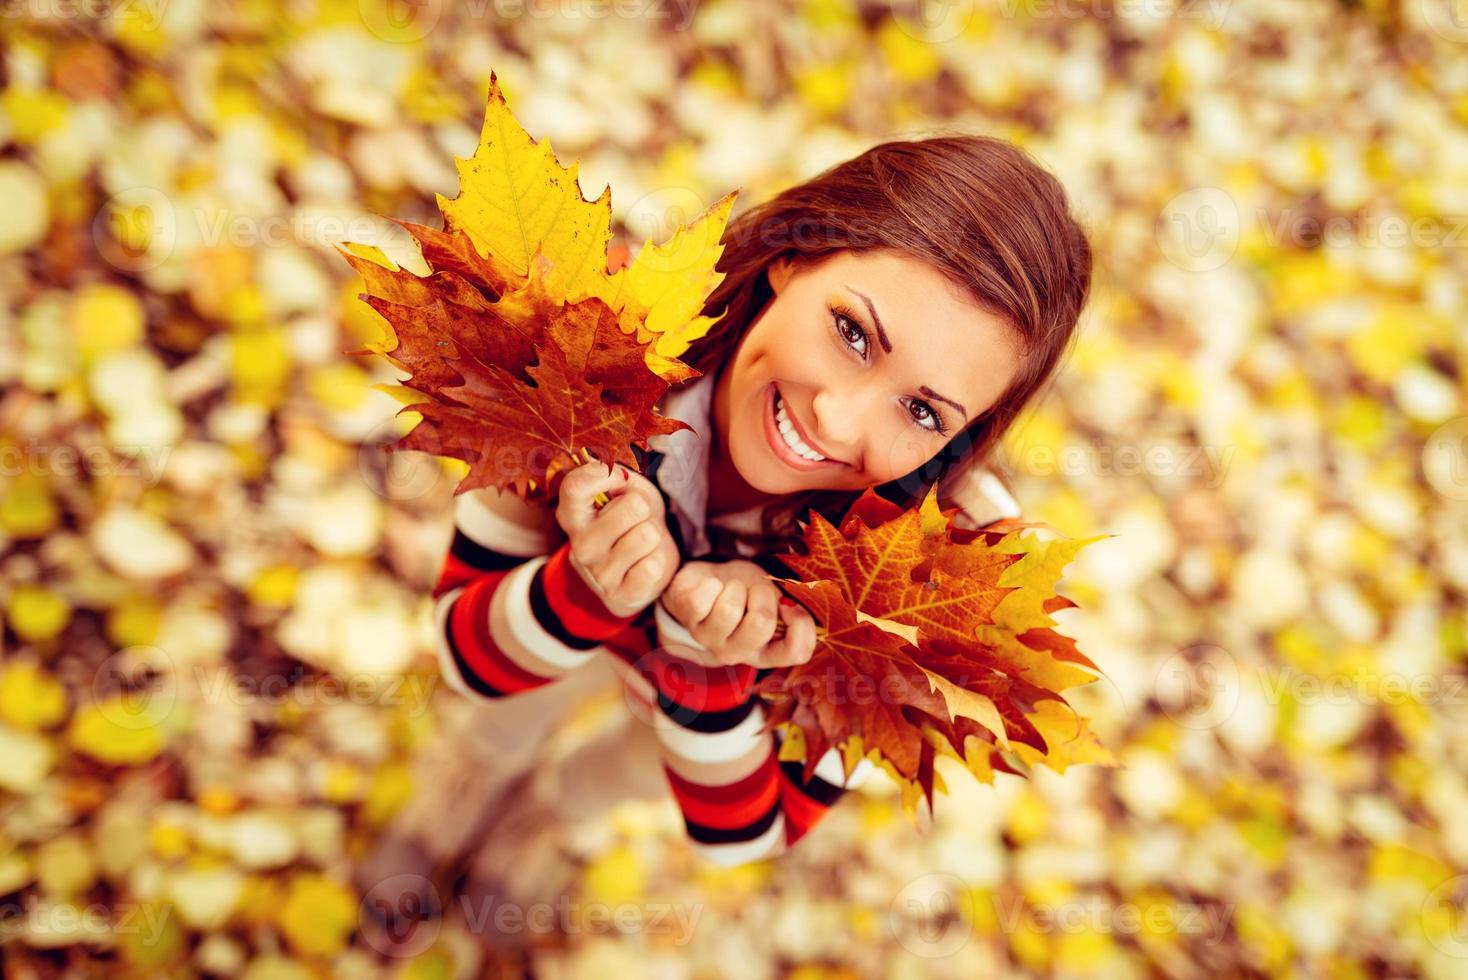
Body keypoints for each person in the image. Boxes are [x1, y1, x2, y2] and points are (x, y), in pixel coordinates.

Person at [414, 133, 1092, 891]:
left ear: (966, 433)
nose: (837, 423)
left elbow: (746, 832)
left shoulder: (932, 585)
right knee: (494, 728)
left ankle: (546, 815)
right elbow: (462, 656)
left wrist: (710, 666)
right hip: (534, 640)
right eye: (852, 333)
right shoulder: (587, 348)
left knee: (614, 776)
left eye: (924, 412)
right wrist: (585, 588)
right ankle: (463, 787)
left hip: (701, 726)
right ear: (793, 257)